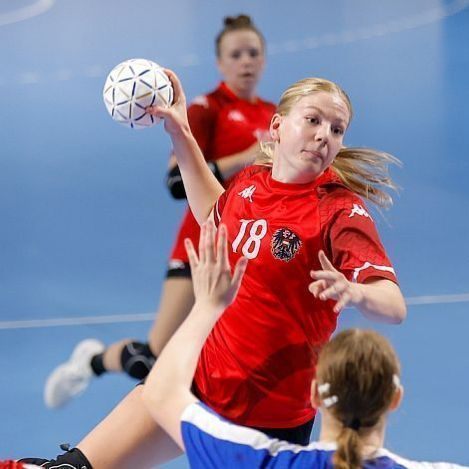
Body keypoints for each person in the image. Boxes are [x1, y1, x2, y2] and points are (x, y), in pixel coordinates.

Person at [20, 71, 407, 467]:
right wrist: (180, 131)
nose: (324, 135)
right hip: (196, 386)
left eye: (337, 129)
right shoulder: (252, 180)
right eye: (313, 120)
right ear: (277, 127)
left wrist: (357, 291)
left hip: (267, 420)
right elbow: (213, 211)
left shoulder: (338, 210)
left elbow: (393, 305)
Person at [44, 14, 276, 409]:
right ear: (220, 63)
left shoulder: (273, 115)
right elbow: (174, 183)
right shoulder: (206, 109)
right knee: (153, 360)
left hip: (247, 248)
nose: (246, 62)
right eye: (236, 55)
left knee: (235, 361)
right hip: (200, 242)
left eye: (253, 53)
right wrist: (245, 157)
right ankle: (93, 361)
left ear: (264, 59)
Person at [141, 220, 466, 468]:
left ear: (315, 395)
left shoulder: (260, 460)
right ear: (395, 398)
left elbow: (161, 393)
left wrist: (207, 307)